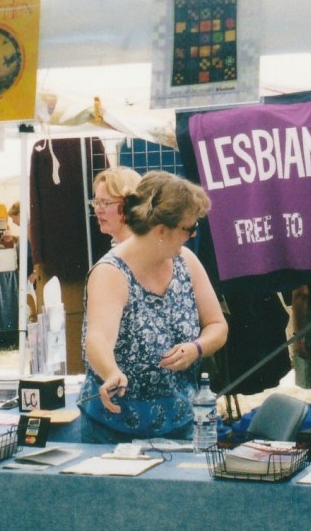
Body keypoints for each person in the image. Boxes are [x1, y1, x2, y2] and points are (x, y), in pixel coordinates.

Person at [80, 172, 227, 442]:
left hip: (181, 422)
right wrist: (111, 372)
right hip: (114, 430)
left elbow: (217, 325)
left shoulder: (187, 262)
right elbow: (98, 338)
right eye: (188, 228)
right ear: (161, 230)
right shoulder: (111, 272)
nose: (192, 234)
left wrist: (196, 349)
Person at [90, 166, 140, 245]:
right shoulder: (120, 247)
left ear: (129, 205)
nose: (97, 210)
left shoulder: (142, 251)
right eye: (96, 202)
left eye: (105, 202)